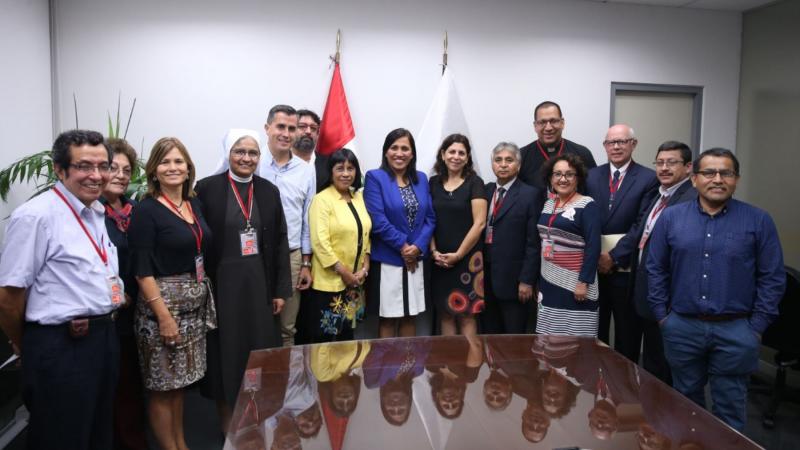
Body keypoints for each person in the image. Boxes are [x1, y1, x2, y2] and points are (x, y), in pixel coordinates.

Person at [647, 148, 785, 431]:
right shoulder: (671, 218)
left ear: (736, 179)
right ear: (694, 178)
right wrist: (663, 316)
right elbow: (656, 268)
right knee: (686, 402)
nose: (718, 179)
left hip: (736, 330)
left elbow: (772, 277)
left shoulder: (758, 220)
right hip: (682, 327)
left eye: (726, 173)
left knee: (730, 407)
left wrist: (757, 326)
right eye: (709, 172)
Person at [0, 130, 121, 449]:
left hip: (102, 339)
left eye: (103, 166)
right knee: (61, 438)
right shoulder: (36, 216)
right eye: (84, 166)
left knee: (98, 434)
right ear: (59, 169)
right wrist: (26, 342)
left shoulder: (95, 212)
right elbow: (8, 299)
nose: (96, 175)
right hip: (61, 345)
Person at [195, 129, 291, 434]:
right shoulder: (207, 189)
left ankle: (258, 419)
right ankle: (228, 425)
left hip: (259, 285)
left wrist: (280, 290)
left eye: (253, 153)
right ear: (228, 154)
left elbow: (280, 241)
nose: (246, 158)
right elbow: (198, 241)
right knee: (226, 353)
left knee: (259, 350)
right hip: (222, 286)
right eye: (239, 151)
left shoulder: (268, 191)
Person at [128, 137, 216, 450]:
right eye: (165, 162)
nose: (172, 167)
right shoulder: (146, 211)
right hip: (162, 313)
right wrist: (164, 317)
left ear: (188, 168)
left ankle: (181, 444)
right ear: (154, 170)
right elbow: (142, 270)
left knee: (179, 386)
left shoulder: (194, 204)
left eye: (178, 161)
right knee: (162, 388)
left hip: (192, 312)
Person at [615, 141, 696, 385]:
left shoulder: (691, 200)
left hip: (668, 298)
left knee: (662, 366)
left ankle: (662, 406)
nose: (664, 168)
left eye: (671, 162)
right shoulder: (659, 195)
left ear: (688, 167)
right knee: (651, 362)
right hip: (645, 291)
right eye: (660, 162)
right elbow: (642, 234)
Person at [587, 125, 658, 360]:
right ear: (605, 146)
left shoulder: (649, 178)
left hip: (625, 270)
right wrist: (595, 256)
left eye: (622, 141)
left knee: (627, 336)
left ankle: (626, 382)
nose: (616, 147)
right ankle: (595, 380)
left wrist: (614, 257)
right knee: (594, 334)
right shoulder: (591, 176)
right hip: (593, 270)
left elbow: (643, 223)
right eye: (611, 142)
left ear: (633, 144)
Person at [364, 128, 436, 338]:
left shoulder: (421, 178)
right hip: (388, 260)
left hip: (416, 259)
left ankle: (408, 361)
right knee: (388, 318)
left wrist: (418, 247)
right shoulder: (375, 177)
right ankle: (389, 362)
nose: (399, 153)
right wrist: (404, 247)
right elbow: (378, 220)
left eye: (405, 148)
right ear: (386, 152)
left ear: (412, 154)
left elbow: (430, 218)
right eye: (394, 147)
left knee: (410, 316)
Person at [101, 137, 148, 450]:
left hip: (141, 310)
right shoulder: (91, 213)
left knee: (134, 384)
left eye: (126, 170)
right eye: (113, 167)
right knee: (115, 387)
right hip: (110, 314)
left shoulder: (137, 210)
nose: (120, 175)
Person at [260, 104, 316, 346]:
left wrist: (305, 263)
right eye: (280, 126)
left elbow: (307, 220)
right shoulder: (252, 161)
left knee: (287, 328)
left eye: (291, 128)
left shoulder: (306, 171)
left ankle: (286, 372)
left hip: (291, 256)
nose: (286, 133)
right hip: (255, 255)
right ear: (267, 128)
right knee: (256, 322)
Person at [304, 148, 371, 342]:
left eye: (351, 168)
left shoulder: (358, 197)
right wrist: (344, 273)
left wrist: (365, 268)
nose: (346, 174)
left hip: (355, 282)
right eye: (340, 168)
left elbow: (366, 234)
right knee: (325, 340)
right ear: (331, 171)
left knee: (347, 338)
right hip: (330, 284)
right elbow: (319, 242)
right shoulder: (322, 200)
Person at [536, 154, 601, 336]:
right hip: (549, 281)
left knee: (576, 339)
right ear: (550, 178)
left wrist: (583, 281)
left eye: (569, 174)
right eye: (557, 174)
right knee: (549, 337)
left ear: (578, 178)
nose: (563, 179)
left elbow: (593, 247)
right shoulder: (548, 204)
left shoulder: (587, 205)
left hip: (576, 284)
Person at [429, 134, 487, 337]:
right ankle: (450, 358)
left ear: (467, 157)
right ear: (443, 155)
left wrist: (458, 255)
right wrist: (434, 251)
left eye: (461, 153)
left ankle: (470, 360)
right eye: (451, 152)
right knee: (445, 313)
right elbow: (427, 220)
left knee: (467, 315)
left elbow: (479, 224)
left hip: (467, 260)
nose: (456, 156)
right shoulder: (433, 183)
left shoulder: (475, 183)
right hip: (439, 261)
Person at [481, 142, 543, 334]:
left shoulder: (530, 195)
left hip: (514, 281)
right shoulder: (485, 191)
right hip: (484, 278)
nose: (503, 164)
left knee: (513, 337)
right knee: (489, 334)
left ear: (518, 164)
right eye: (498, 160)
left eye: (509, 160)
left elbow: (534, 243)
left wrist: (527, 280)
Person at [518, 100, 597, 192]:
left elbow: (594, 189)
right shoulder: (521, 157)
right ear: (535, 126)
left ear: (562, 123)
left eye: (554, 121)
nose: (548, 128)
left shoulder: (582, 153)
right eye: (542, 122)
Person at [291, 109, 329, 192]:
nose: (308, 131)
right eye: (302, 126)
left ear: (318, 134)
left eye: (313, 128)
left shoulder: (328, 165)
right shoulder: (279, 162)